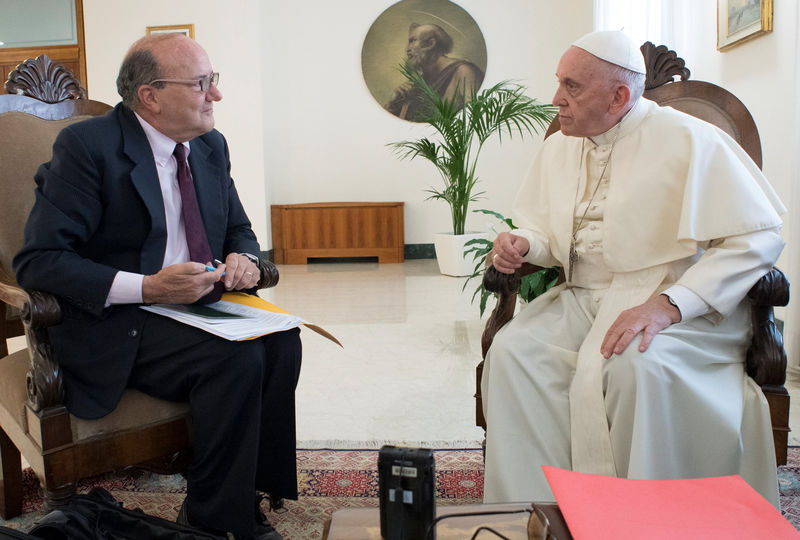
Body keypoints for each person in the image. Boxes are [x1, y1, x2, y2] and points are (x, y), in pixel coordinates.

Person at [13, 33, 300, 540]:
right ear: (150, 95)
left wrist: (245, 260)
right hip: (117, 319)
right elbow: (40, 261)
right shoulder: (86, 148)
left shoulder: (211, 146)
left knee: (283, 340)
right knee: (235, 360)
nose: (215, 96)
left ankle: (240, 496)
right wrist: (148, 288)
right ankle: (217, 522)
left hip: (196, 307)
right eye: (202, 84)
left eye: (214, 81)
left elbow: (239, 229)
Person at [481, 30, 785, 508]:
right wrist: (523, 243)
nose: (556, 99)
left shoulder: (690, 139)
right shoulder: (561, 144)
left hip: (675, 303)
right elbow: (545, 229)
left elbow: (758, 237)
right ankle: (537, 514)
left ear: (619, 95)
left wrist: (670, 305)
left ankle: (642, 519)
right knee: (515, 353)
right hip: (583, 298)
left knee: (634, 368)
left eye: (572, 86)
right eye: (559, 82)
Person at [385, 22, 484, 121]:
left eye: (412, 41)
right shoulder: (418, 84)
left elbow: (474, 119)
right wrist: (396, 100)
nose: (407, 49)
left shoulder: (464, 72)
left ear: (431, 44)